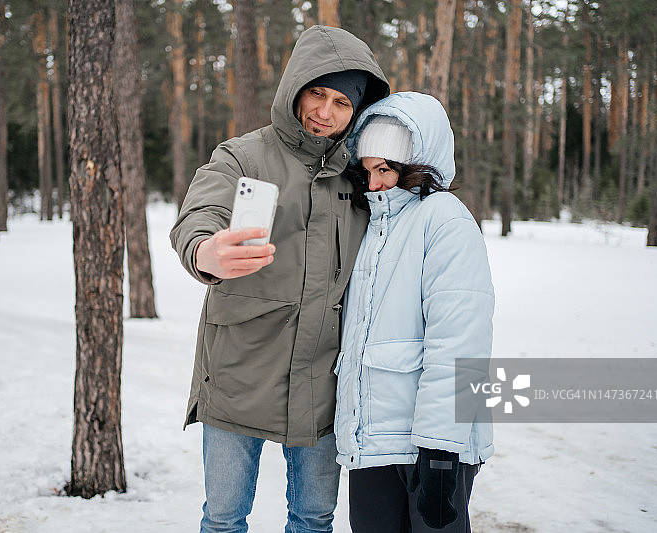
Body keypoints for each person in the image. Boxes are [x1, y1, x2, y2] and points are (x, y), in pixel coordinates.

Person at [169, 25, 389, 532]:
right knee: (224, 518)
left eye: (341, 102)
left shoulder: (363, 176)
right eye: (317, 92)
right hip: (237, 373)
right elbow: (199, 215)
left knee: (314, 519)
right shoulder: (243, 156)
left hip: (323, 385)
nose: (325, 112)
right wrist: (206, 251)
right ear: (295, 87)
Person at [334, 92, 495, 532]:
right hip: (374, 443)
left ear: (418, 164)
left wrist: (441, 450)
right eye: (367, 171)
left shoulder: (444, 219)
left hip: (428, 447)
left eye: (384, 169)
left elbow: (460, 340)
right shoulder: (372, 224)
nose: (374, 182)